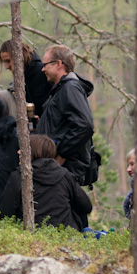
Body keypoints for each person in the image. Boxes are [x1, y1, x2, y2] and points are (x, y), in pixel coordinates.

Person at [0, 134, 92, 230]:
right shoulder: (65, 176)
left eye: (23, 148)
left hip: (31, 238)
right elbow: (86, 206)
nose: (18, 152)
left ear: (33, 152)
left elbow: (5, 214)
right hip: (66, 236)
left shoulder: (19, 176)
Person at [36, 44, 94, 184]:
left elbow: (84, 125)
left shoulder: (70, 88)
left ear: (59, 64)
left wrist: (61, 154)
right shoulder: (61, 90)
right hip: (60, 169)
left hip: (67, 170)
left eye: (46, 65)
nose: (42, 69)